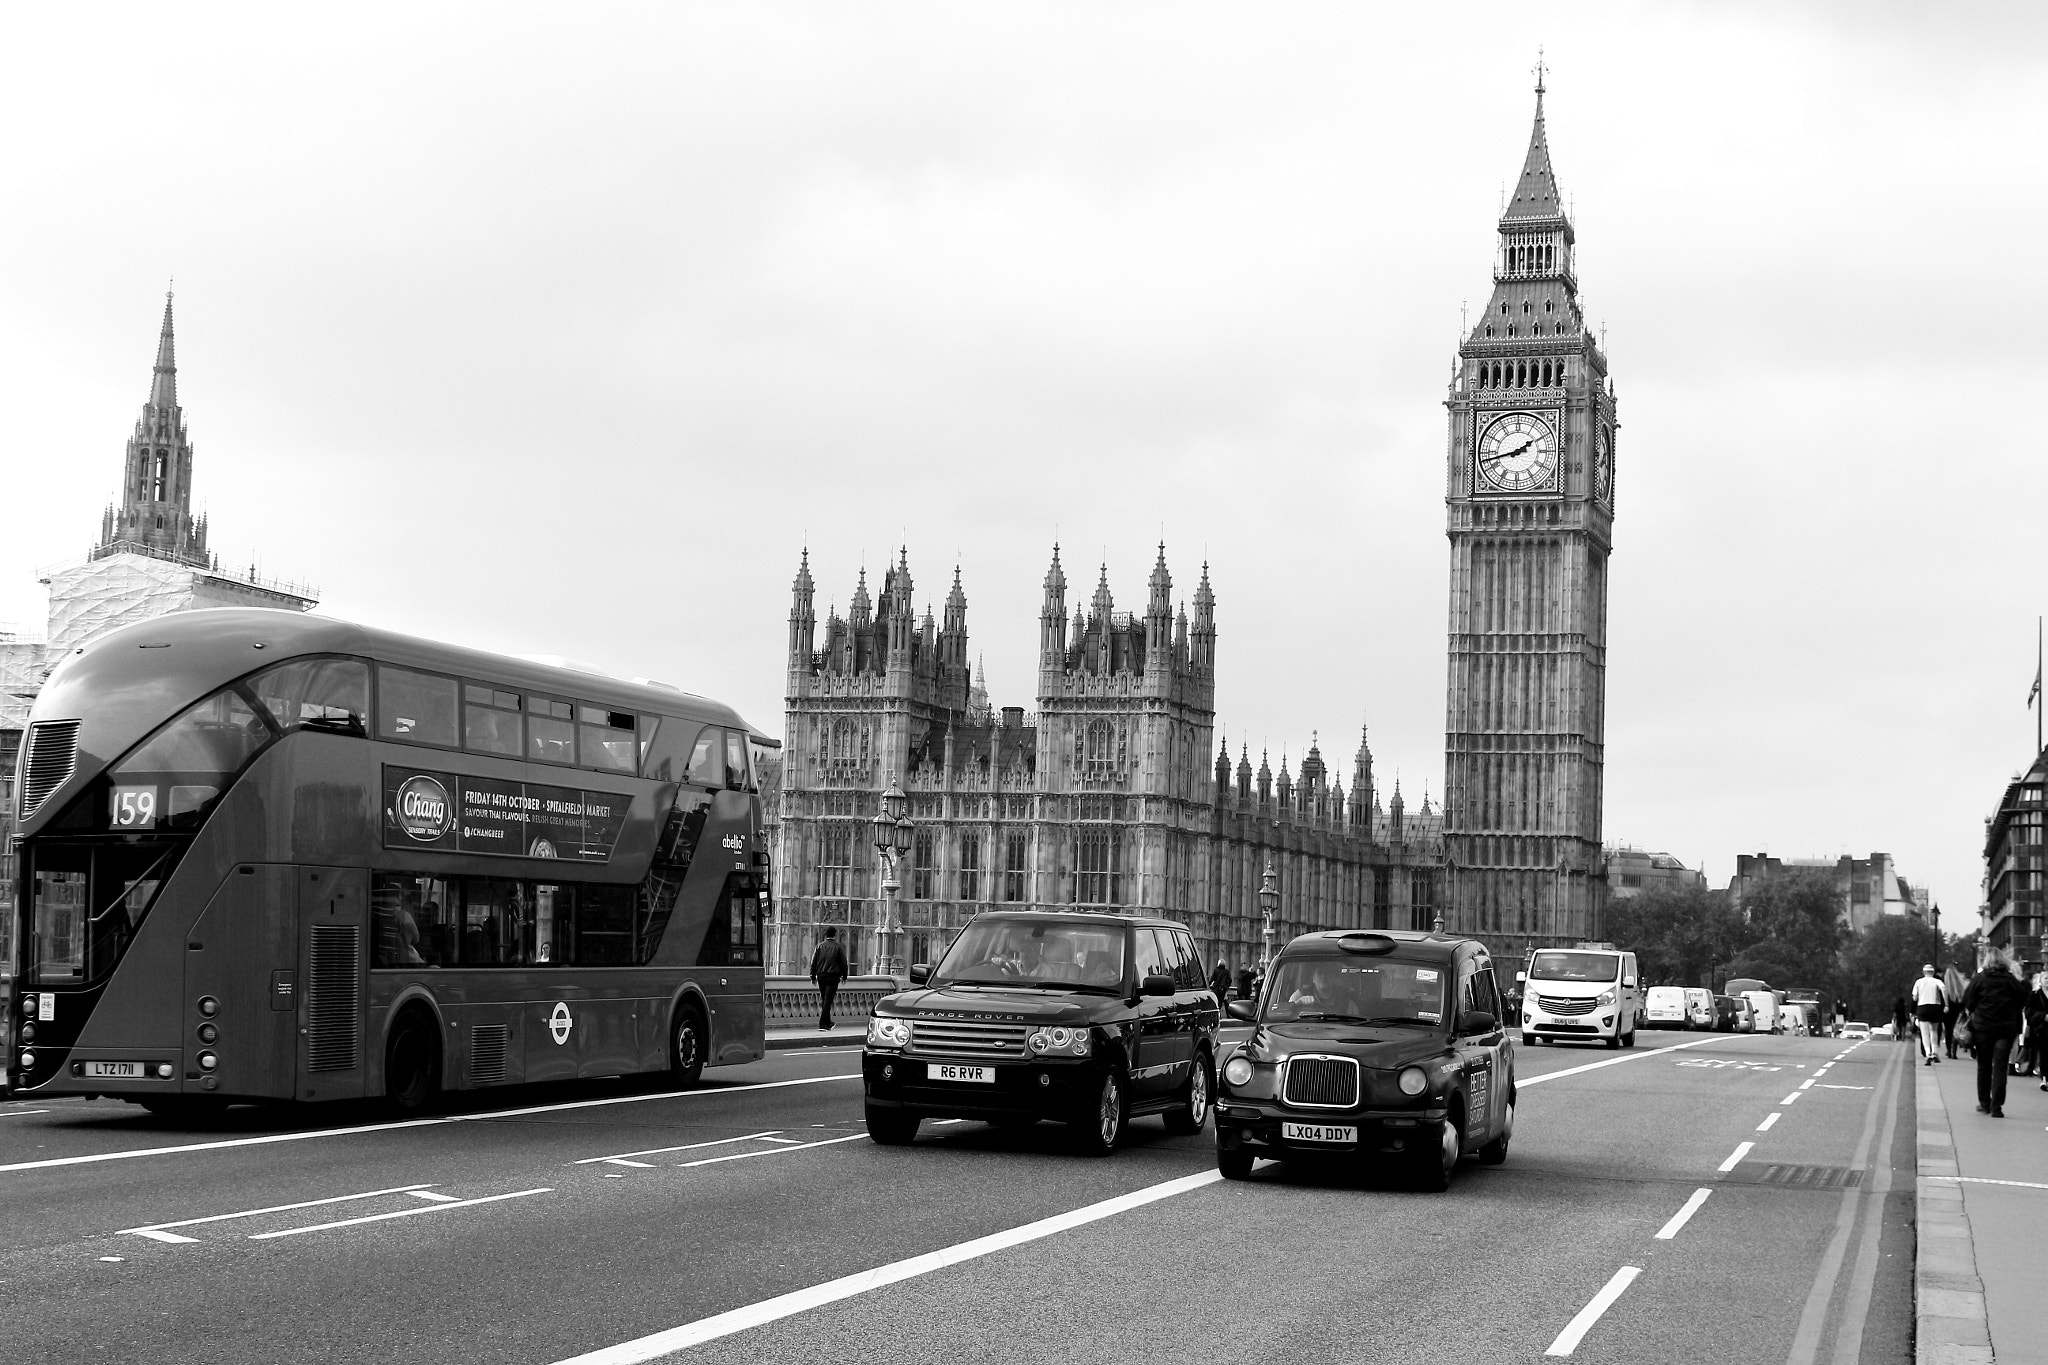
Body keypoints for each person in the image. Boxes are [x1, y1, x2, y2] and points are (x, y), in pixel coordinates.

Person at [1960, 953, 2027, 1117]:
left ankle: (1985, 1103)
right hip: (2005, 1028)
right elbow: (2023, 998)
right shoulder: (2011, 980)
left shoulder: (1980, 979)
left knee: (1984, 1065)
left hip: (1983, 1027)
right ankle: (1997, 1106)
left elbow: (1968, 1000)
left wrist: (1978, 1009)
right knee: (2000, 1067)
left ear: (1987, 961)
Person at [809, 927, 849, 1030]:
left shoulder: (819, 946)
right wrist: (844, 976)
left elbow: (813, 963)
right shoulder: (838, 947)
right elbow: (843, 963)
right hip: (833, 976)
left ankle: (828, 1023)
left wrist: (812, 976)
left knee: (825, 999)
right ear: (835, 935)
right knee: (828, 1000)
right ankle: (823, 1024)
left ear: (825, 935)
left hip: (821, 976)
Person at [1910, 963, 1947, 1065]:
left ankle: (1928, 1053)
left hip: (1922, 1007)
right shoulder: (1937, 981)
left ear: (1923, 972)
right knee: (1934, 1031)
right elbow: (1944, 989)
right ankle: (1935, 1051)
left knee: (1924, 1032)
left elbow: (1914, 998)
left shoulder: (1919, 982)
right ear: (1933, 972)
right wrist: (1946, 1004)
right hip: (1935, 1007)